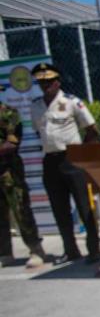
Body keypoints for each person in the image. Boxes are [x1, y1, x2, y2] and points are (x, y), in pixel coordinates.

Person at [29, 63, 100, 265]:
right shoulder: (36, 106)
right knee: (59, 209)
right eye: (42, 82)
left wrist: (82, 153)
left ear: (57, 82)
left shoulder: (71, 102)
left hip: (72, 159)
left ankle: (94, 249)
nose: (46, 86)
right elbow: (39, 132)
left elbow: (92, 129)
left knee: (84, 206)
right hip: (50, 161)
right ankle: (71, 250)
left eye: (49, 82)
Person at [0, 84, 47, 268]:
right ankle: (4, 253)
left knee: (21, 211)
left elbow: (12, 144)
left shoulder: (8, 114)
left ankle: (36, 249)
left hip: (9, 173)